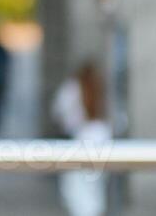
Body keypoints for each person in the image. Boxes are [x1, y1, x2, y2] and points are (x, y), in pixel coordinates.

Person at [51, 61, 110, 216]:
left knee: (77, 188)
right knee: (93, 188)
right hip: (99, 135)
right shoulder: (96, 86)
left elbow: (59, 112)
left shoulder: (71, 88)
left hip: (82, 138)